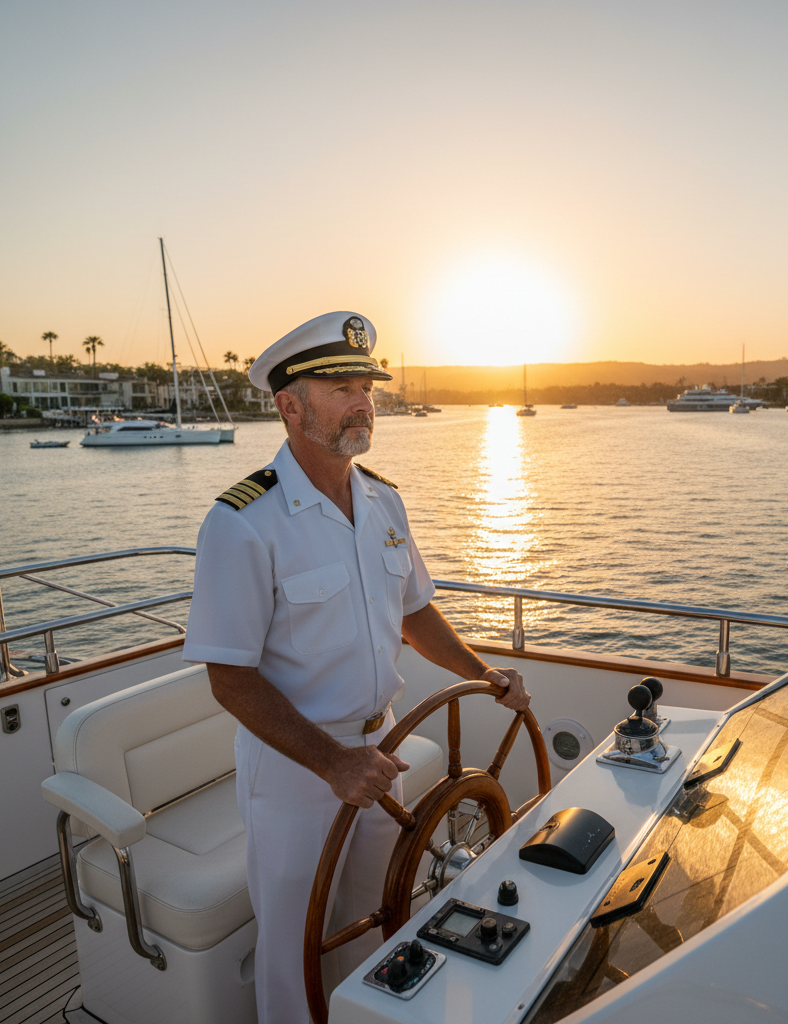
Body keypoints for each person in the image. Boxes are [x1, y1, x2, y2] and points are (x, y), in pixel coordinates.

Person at [182, 311, 529, 1024]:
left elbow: (415, 615)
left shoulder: (383, 501)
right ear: (290, 405)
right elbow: (229, 676)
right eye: (340, 386)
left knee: (380, 917)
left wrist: (485, 675)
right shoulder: (244, 522)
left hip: (385, 748)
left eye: (366, 384)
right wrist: (332, 761)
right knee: (294, 945)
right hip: (296, 764)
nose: (363, 400)